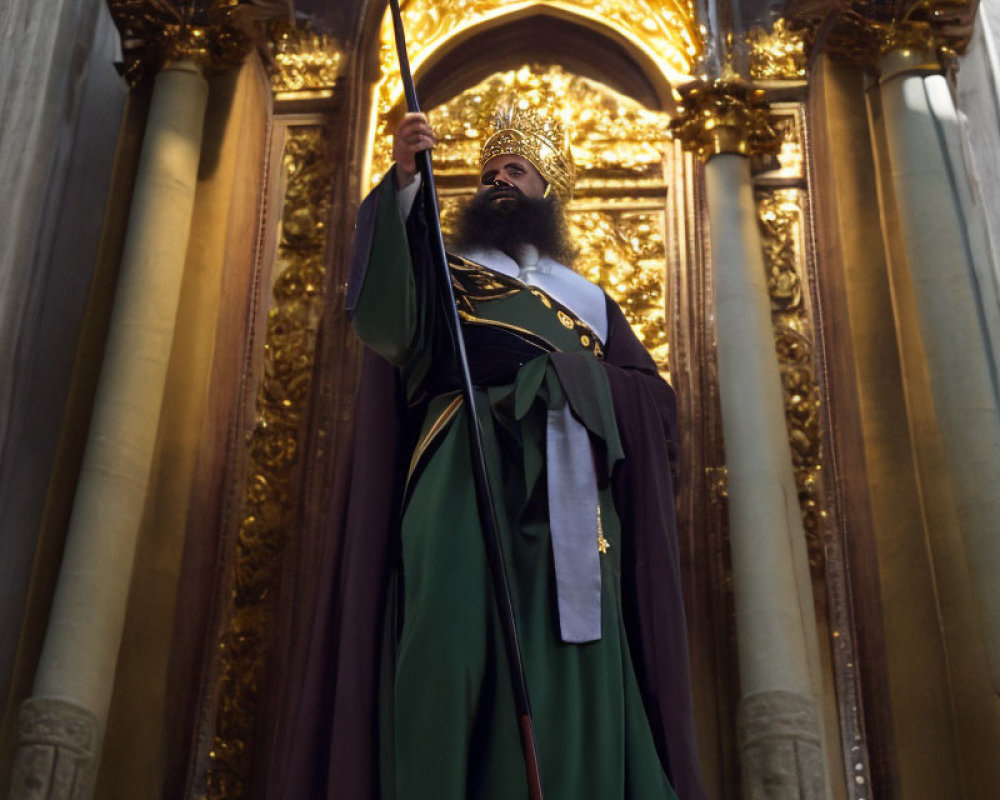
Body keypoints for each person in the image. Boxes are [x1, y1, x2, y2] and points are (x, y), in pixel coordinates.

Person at [269, 104, 706, 800]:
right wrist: (407, 177)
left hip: (566, 491)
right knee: (445, 639)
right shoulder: (445, 269)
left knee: (563, 655)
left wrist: (571, 380)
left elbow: (655, 407)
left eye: (516, 170)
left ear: (549, 189)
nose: (498, 180)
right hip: (461, 465)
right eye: (489, 172)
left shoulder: (589, 302)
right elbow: (386, 318)